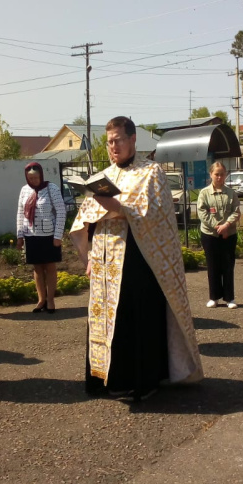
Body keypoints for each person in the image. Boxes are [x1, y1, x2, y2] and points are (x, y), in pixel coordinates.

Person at [70, 116, 203, 401]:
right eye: (109, 142)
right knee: (106, 321)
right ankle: (108, 379)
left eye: (118, 140)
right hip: (106, 262)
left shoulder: (151, 172)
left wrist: (118, 206)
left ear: (133, 140)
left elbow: (153, 213)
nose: (113, 147)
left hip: (139, 260)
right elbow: (88, 218)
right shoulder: (105, 175)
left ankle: (144, 380)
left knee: (135, 320)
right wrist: (90, 255)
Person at [15, 162, 66, 313]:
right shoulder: (24, 190)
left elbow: (61, 212)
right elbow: (20, 213)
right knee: (37, 268)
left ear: (41, 175)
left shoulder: (52, 189)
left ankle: (50, 300)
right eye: (30, 178)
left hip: (49, 236)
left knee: (50, 267)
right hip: (31, 235)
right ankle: (41, 300)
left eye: (36, 177)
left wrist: (58, 236)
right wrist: (20, 236)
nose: (34, 180)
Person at [197, 161, 241, 309]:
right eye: (217, 174)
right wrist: (217, 226)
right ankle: (214, 297)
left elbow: (236, 211)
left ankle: (230, 298)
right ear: (211, 175)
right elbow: (202, 212)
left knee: (228, 265)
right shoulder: (204, 193)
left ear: (226, 175)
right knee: (213, 266)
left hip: (229, 233)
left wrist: (226, 225)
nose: (219, 177)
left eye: (222, 174)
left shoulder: (231, 193)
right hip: (210, 234)